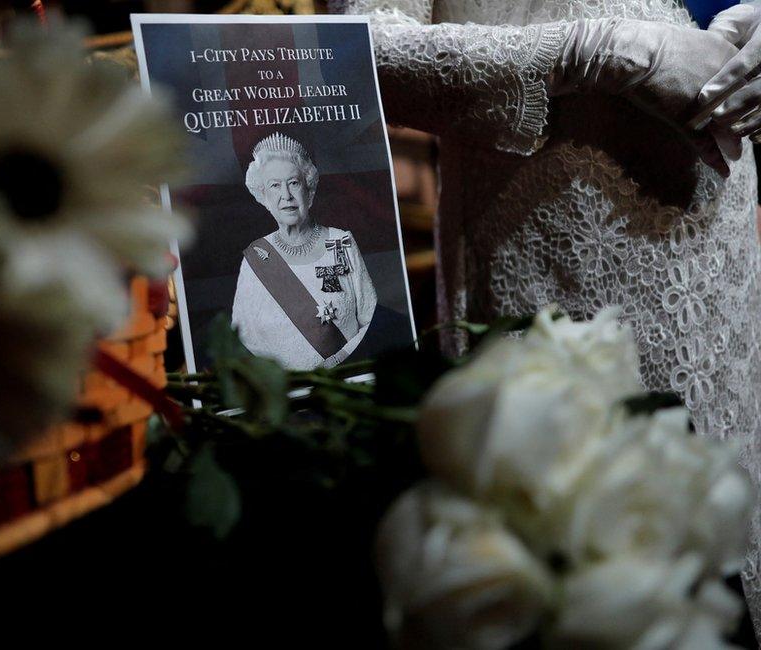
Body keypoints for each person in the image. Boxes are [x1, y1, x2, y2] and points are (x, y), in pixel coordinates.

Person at [332, 0, 761, 633]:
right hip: (552, 261)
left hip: (723, 271)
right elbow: (358, 49)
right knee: (574, 559)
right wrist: (596, 50)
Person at [231, 133, 377, 370]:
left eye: (294, 183)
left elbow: (370, 317)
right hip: (286, 392)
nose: (286, 195)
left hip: (347, 378)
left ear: (309, 190)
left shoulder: (341, 241)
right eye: (275, 186)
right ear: (264, 197)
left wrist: (338, 362)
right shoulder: (256, 257)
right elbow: (242, 337)